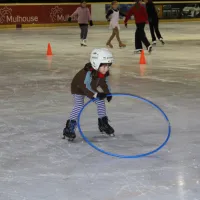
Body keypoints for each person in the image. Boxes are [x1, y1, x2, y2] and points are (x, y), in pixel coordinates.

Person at [63, 48, 115, 141]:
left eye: (108, 66)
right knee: (79, 105)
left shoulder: (103, 72)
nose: (106, 69)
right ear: (96, 63)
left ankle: (103, 124)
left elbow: (104, 83)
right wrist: (96, 95)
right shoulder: (87, 73)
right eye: (104, 66)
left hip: (91, 88)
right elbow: (85, 87)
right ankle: (69, 128)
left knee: (100, 102)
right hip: (78, 89)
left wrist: (108, 93)